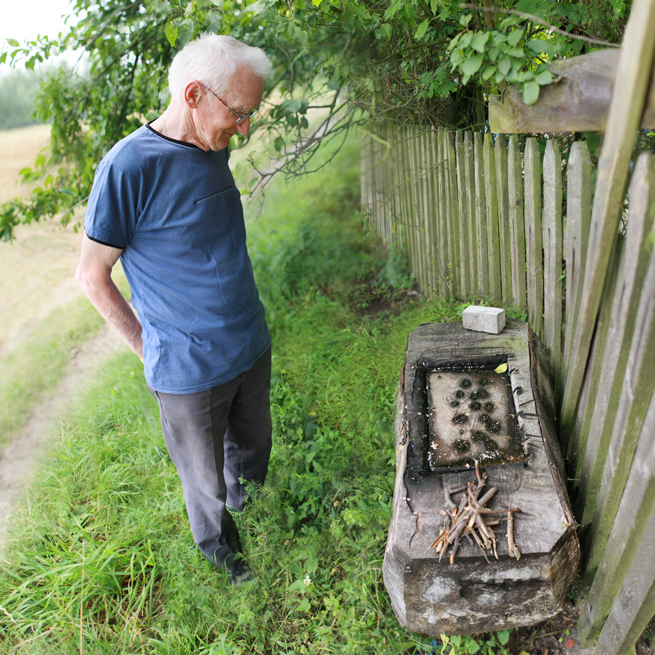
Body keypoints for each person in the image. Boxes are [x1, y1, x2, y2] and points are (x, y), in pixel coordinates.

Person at [75, 34, 274, 585]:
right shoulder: (126, 168)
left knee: (253, 450)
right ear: (193, 94)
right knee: (205, 485)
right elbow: (91, 276)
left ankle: (257, 515)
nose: (245, 129)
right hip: (188, 372)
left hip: (250, 346)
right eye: (239, 113)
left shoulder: (215, 146)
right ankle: (225, 560)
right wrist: (148, 349)